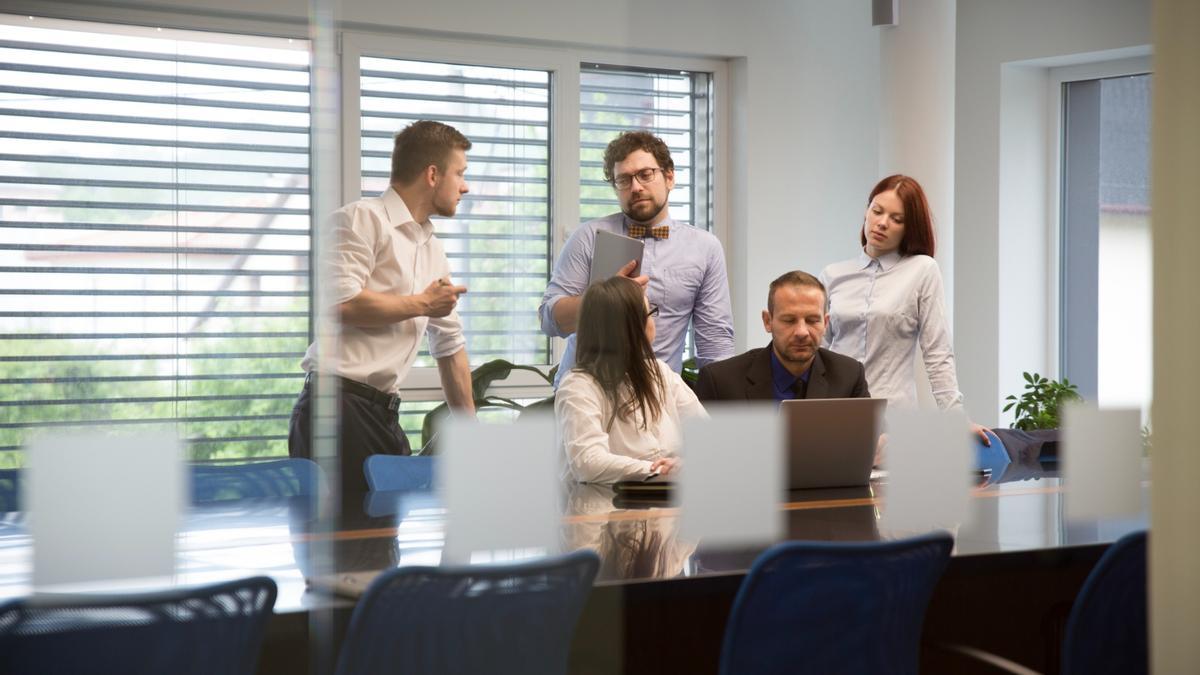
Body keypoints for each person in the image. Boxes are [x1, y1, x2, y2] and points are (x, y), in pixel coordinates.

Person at [288, 120, 475, 493]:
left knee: (384, 546)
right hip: (336, 409)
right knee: (350, 544)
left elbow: (450, 347)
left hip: (381, 414)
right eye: (460, 173)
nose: (465, 186)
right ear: (433, 174)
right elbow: (341, 304)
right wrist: (423, 303)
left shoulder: (432, 247)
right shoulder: (360, 219)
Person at [539, 131, 734, 387]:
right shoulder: (588, 238)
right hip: (586, 394)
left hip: (659, 399)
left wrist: (726, 412)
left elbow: (715, 344)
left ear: (670, 177)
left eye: (645, 174)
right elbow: (549, 319)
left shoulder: (705, 248)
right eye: (623, 180)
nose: (636, 187)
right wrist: (602, 299)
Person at [820, 174, 989, 443]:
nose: (882, 223)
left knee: (892, 486)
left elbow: (937, 351)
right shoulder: (833, 275)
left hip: (893, 420)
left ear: (909, 229)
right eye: (877, 211)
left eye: (897, 219)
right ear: (867, 211)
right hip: (837, 415)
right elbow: (818, 353)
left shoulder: (922, 270)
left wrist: (956, 417)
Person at [556, 277, 707, 483]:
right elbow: (588, 463)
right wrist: (657, 470)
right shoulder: (578, 386)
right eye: (650, 314)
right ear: (630, 328)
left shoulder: (659, 372)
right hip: (602, 507)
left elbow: (707, 437)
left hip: (666, 503)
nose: (654, 322)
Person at [696, 271, 869, 402]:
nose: (802, 332)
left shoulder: (849, 376)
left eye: (812, 320)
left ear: (825, 323)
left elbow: (869, 439)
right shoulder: (720, 382)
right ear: (767, 321)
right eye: (789, 320)